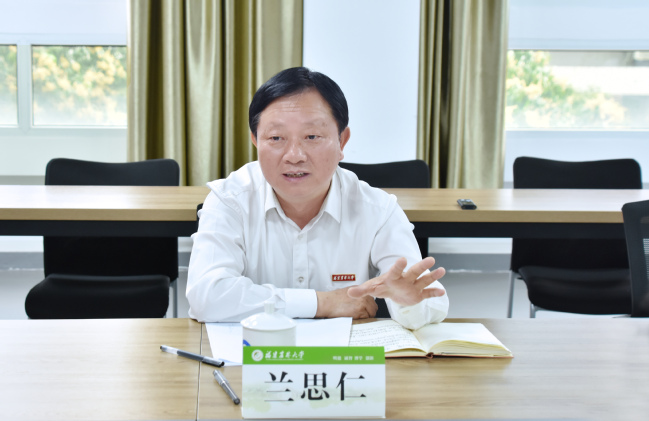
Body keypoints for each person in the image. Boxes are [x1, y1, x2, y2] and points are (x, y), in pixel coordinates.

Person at [187, 67, 448, 330]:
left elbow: (428, 298)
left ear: (342, 141)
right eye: (276, 138)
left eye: (312, 137)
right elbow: (206, 295)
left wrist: (408, 305)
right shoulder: (229, 200)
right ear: (256, 140)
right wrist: (322, 303)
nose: (294, 155)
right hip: (253, 352)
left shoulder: (377, 209)